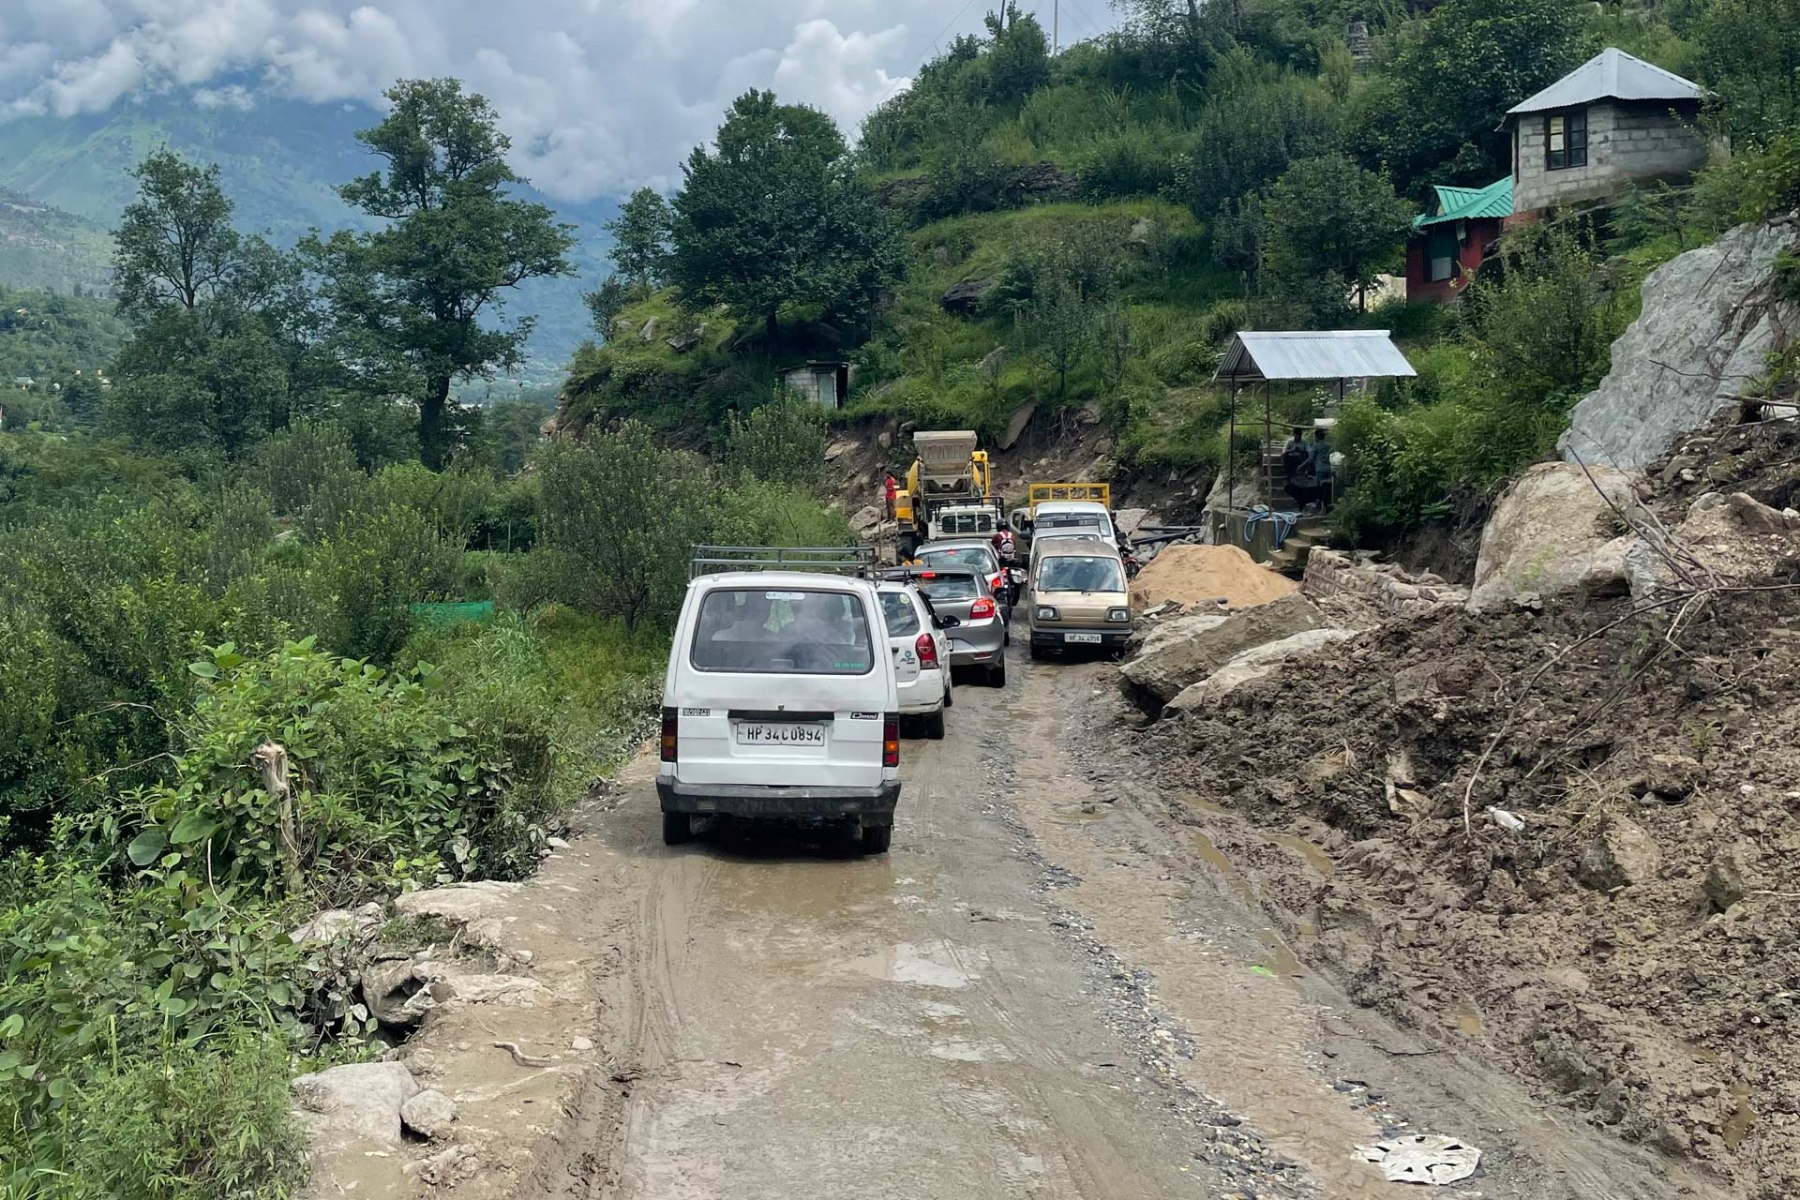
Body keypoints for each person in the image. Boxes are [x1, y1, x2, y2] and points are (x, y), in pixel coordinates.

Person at [1282, 425, 1316, 512]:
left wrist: (1302, 451)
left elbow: (1310, 452)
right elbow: (1284, 451)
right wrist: (1292, 450)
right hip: (1292, 459)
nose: (1298, 437)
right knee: (1285, 456)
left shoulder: (1304, 442)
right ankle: (1287, 474)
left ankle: (1307, 472)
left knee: (1308, 456)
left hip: (1301, 459)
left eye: (1299, 436)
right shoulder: (1289, 441)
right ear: (1294, 435)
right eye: (1297, 435)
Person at [1311, 426, 1336, 513]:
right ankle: (1326, 507)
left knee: (1319, 489)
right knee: (1326, 489)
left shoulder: (1316, 446)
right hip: (1328, 469)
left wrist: (1301, 466)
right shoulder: (1328, 446)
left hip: (1320, 470)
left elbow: (1311, 459)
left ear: (1316, 437)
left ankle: (1319, 508)